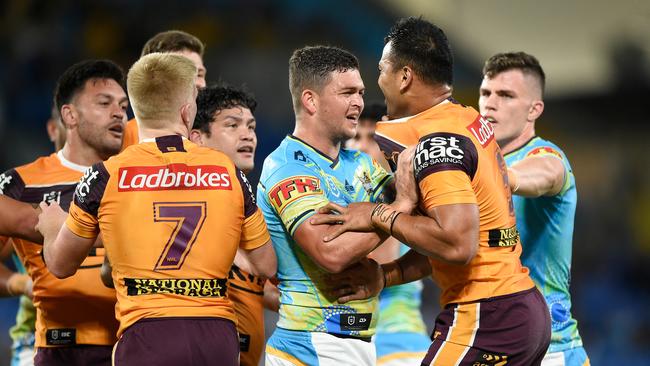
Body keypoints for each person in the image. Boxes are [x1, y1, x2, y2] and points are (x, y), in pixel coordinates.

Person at [312, 17, 551, 365]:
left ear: (405, 77)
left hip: (486, 315)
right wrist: (385, 275)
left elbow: (456, 244)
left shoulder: (437, 142)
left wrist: (381, 212)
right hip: (515, 307)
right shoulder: (466, 120)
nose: (377, 81)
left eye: (382, 70)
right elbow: (443, 240)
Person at [37, 53, 276, 366]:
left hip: (148, 335)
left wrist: (52, 225)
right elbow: (266, 265)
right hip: (216, 335)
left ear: (135, 108)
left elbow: (61, 264)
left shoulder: (105, 175)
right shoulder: (227, 171)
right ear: (186, 109)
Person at [257, 45, 395, 366]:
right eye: (347, 92)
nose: (359, 102)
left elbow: (426, 222)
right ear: (311, 101)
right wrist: (392, 213)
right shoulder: (287, 167)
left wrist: (387, 275)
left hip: (356, 345)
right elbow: (330, 254)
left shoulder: (361, 164)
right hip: (310, 345)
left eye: (360, 92)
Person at [0, 59, 126, 365]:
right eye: (104, 103)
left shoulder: (136, 175)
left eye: (123, 105)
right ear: (69, 115)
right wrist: (22, 284)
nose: (118, 113)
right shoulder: (20, 184)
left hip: (134, 345)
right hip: (61, 350)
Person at [479, 52, 589, 366]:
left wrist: (505, 177)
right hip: (492, 348)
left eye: (506, 95)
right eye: (486, 93)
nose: (491, 103)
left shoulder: (547, 155)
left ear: (534, 109)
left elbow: (545, 174)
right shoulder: (476, 167)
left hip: (550, 351)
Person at [188, 83, 267, 366]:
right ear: (197, 138)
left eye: (251, 126)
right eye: (232, 125)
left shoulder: (251, 204)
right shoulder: (183, 202)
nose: (247, 134)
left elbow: (265, 284)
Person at [347, 103, 431, 366]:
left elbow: (374, 263)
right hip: (354, 339)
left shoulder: (407, 200)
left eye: (371, 138)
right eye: (355, 138)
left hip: (399, 343)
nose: (360, 147)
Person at [0, 105, 66, 366]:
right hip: (38, 341)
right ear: (54, 128)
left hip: (110, 338)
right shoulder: (24, 188)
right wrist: (22, 284)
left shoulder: (115, 181)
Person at [121, 30, 207, 148]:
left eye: (200, 74)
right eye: (183, 75)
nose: (197, 84)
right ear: (152, 77)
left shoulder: (218, 131)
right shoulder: (124, 135)